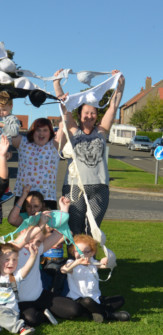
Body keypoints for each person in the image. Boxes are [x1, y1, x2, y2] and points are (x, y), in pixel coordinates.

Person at [54, 69, 125, 234]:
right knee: (74, 228)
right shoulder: (73, 130)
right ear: (79, 115)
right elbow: (64, 108)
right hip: (74, 186)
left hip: (99, 186)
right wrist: (57, 84)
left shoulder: (101, 131)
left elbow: (113, 107)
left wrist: (120, 84)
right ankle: (74, 258)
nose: (90, 115)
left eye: (93, 113)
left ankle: (89, 259)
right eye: (86, 112)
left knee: (93, 229)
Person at [52, 234, 130, 323]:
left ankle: (93, 313)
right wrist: (76, 263)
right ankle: (108, 315)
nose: (82, 254)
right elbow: (63, 270)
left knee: (120, 299)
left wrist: (107, 260)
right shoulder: (72, 264)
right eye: (78, 251)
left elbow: (107, 265)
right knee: (87, 301)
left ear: (92, 253)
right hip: (79, 300)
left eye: (86, 252)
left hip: (96, 298)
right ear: (73, 252)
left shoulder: (93, 263)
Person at [10, 118, 62, 211]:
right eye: (38, 130)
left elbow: (64, 127)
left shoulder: (55, 144)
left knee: (46, 226)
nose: (41, 134)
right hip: (23, 197)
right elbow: (7, 132)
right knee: (24, 225)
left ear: (50, 132)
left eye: (45, 130)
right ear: (33, 131)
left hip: (47, 198)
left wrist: (65, 109)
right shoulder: (22, 142)